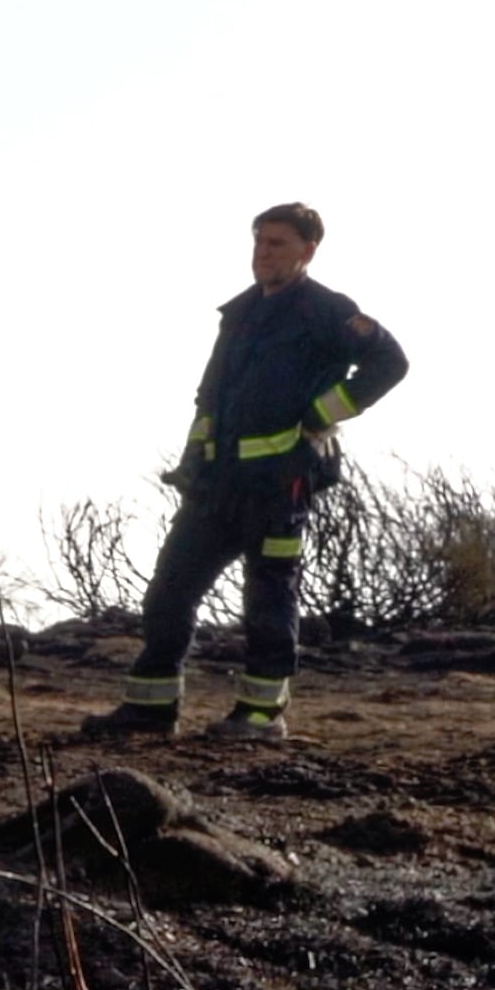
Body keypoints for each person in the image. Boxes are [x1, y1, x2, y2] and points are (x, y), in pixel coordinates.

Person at [104, 201, 408, 742]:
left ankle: (261, 716)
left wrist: (320, 416)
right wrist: (193, 457)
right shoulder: (239, 313)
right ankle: (150, 707)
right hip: (216, 486)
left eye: (278, 244)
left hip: (279, 485)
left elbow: (390, 363)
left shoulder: (327, 310)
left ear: (308, 250)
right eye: (259, 242)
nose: (263, 253)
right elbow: (210, 396)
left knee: (269, 600)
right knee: (169, 593)